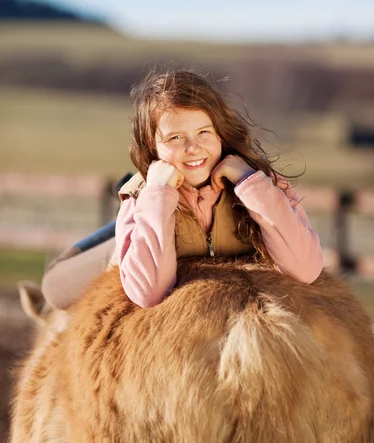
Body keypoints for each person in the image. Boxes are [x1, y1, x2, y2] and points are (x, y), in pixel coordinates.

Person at [42, 67, 323, 310]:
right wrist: (156, 198)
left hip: (170, 226)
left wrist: (251, 184)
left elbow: (306, 269)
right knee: (54, 290)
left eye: (204, 132)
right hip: (142, 236)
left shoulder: (260, 185)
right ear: (151, 146)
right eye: (175, 137)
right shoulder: (146, 198)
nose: (193, 148)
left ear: (220, 133)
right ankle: (117, 234)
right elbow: (149, 293)